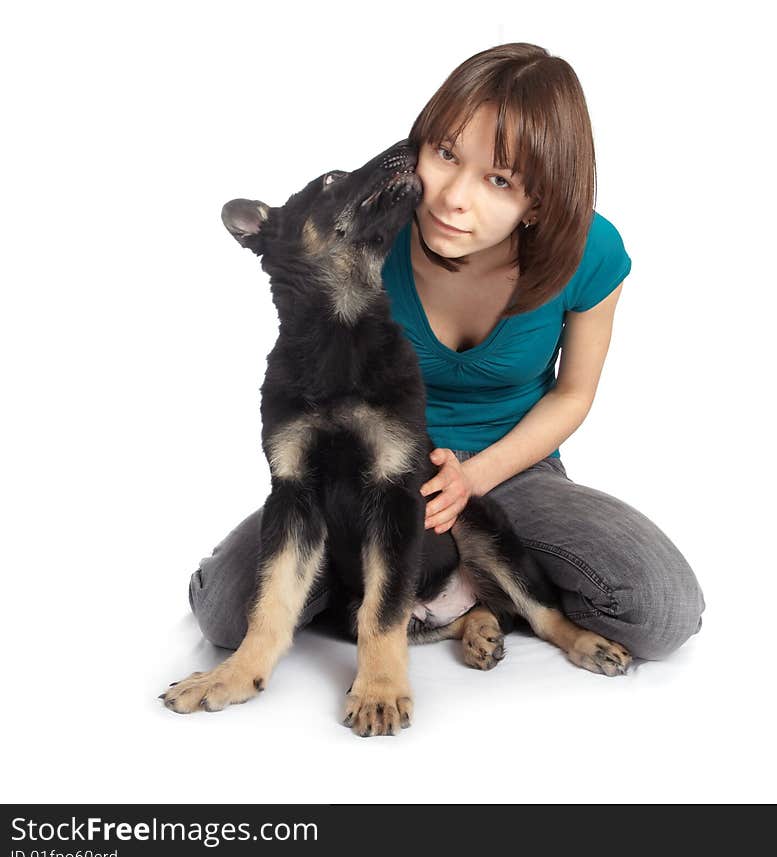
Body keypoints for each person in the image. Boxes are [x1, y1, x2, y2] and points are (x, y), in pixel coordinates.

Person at [189, 43, 705, 662]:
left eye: (499, 180)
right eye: (446, 154)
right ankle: (413, 587)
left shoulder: (589, 250)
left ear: (539, 201)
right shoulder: (372, 231)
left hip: (510, 467)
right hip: (367, 471)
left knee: (663, 612)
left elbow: (574, 393)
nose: (453, 198)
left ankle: (476, 584)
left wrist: (472, 479)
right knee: (223, 614)